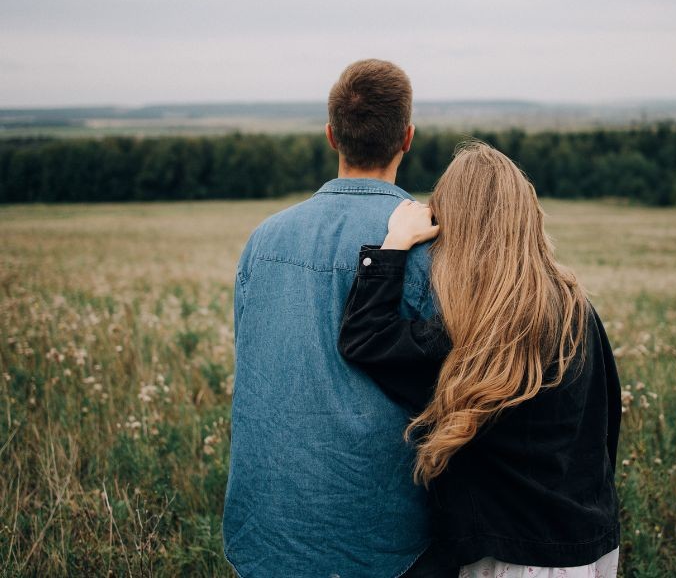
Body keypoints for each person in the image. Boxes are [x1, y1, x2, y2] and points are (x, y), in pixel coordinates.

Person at [339, 142, 622, 577]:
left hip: (515, 555)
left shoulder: (473, 331)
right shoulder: (576, 307)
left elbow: (365, 337)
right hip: (590, 543)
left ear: (452, 229)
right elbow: (607, 422)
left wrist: (394, 245)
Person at [223, 59, 438, 577]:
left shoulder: (264, 240)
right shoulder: (431, 244)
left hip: (266, 528)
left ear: (331, 135)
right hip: (386, 536)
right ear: (407, 138)